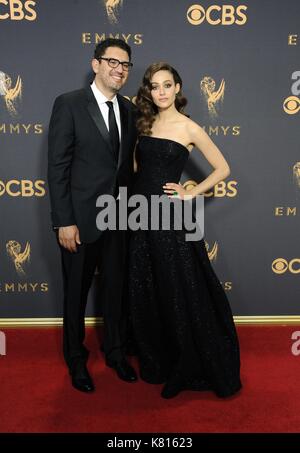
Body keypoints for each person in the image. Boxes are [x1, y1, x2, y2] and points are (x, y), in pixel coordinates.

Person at [128, 62, 242, 399]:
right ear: (149, 90)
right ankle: (157, 360)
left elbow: (223, 169)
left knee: (177, 288)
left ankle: (186, 364)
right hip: (137, 214)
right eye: (154, 86)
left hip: (168, 218)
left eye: (167, 85)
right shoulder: (144, 123)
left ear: (177, 87)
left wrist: (189, 191)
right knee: (146, 286)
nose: (160, 91)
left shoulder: (189, 127)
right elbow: (136, 169)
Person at [48, 38, 138, 393]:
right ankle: (75, 359)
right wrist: (63, 221)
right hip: (80, 221)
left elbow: (126, 168)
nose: (119, 69)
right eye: (112, 62)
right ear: (96, 64)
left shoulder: (129, 109)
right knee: (75, 293)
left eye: (126, 64)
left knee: (115, 290)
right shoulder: (69, 104)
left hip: (118, 220)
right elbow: (57, 167)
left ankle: (116, 353)